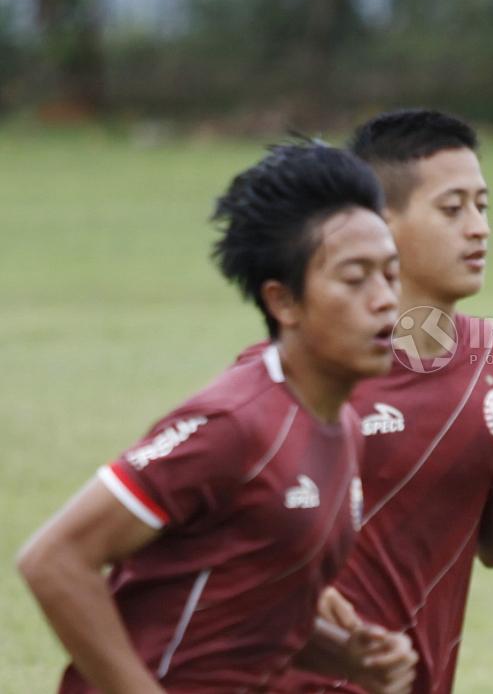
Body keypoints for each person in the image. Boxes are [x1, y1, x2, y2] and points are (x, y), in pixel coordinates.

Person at [17, 142, 416, 693]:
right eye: (355, 279)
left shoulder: (342, 428)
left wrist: (348, 658)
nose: (385, 301)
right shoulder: (234, 425)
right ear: (284, 303)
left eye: (391, 275)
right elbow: (54, 561)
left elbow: (242, 603)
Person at [271, 110, 493, 694]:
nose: (478, 229)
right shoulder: (308, 367)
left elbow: (492, 544)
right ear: (380, 225)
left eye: (482, 206)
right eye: (452, 208)